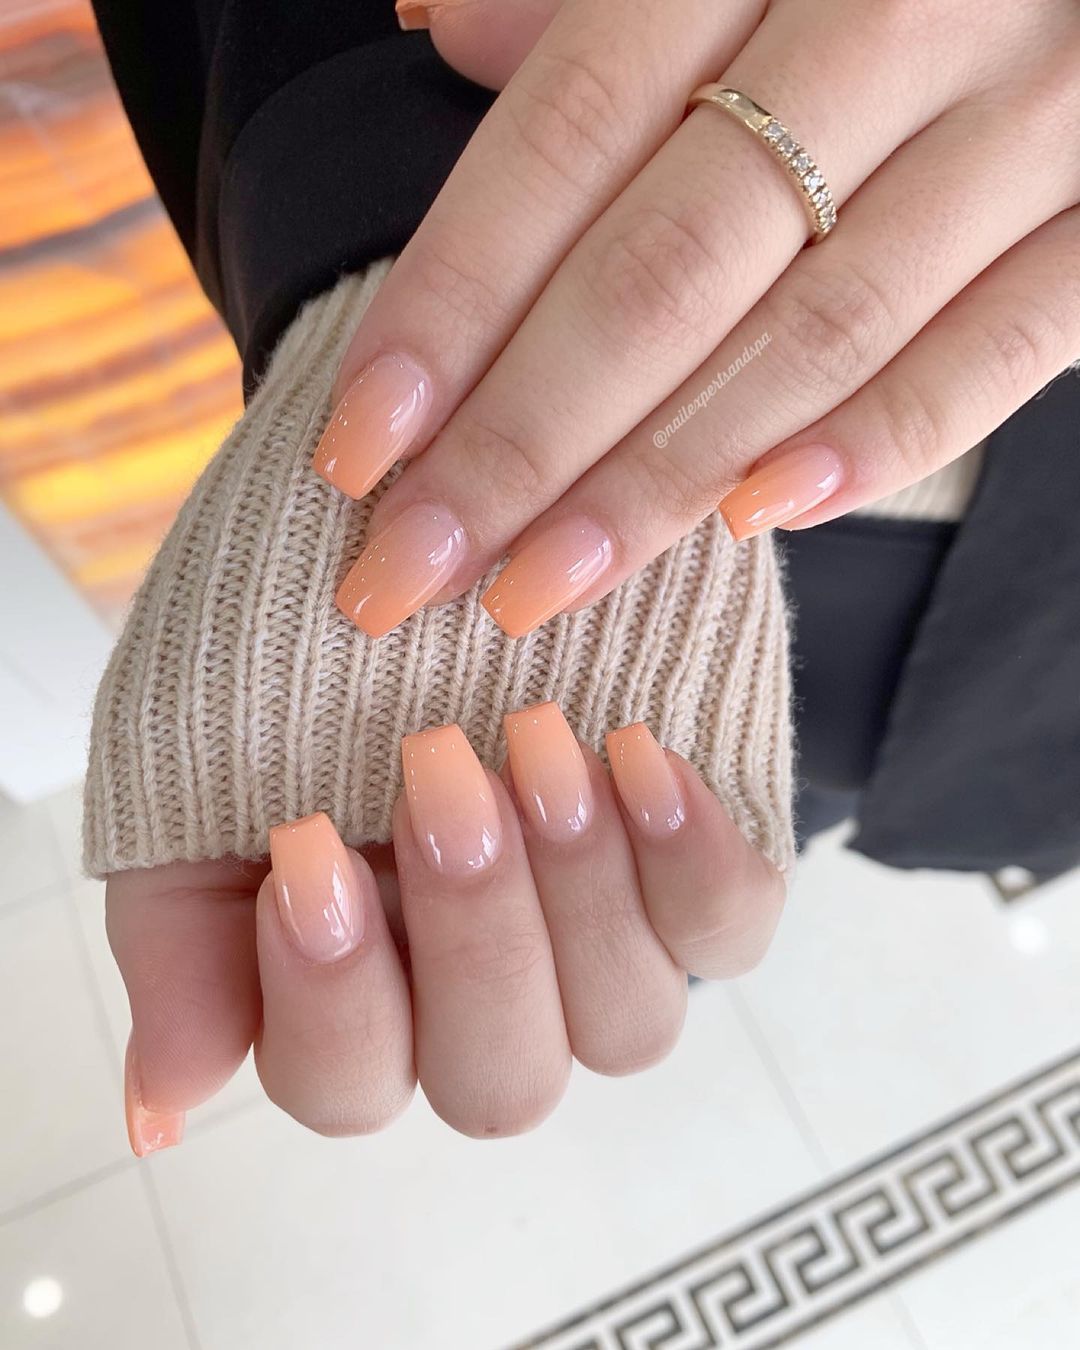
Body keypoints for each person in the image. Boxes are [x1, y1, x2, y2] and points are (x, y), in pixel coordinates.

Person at [85, 0, 1080, 1153]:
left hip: (1015, 688)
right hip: (733, 527)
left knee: (652, 860)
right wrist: (448, 253)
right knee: (640, 854)